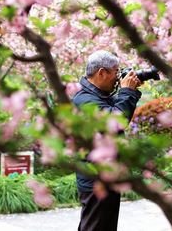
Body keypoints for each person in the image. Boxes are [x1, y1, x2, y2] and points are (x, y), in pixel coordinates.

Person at [72, 50, 142, 231]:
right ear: (102, 72)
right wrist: (127, 91)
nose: (118, 78)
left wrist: (130, 91)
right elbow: (115, 121)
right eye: (116, 72)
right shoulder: (85, 100)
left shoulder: (97, 96)